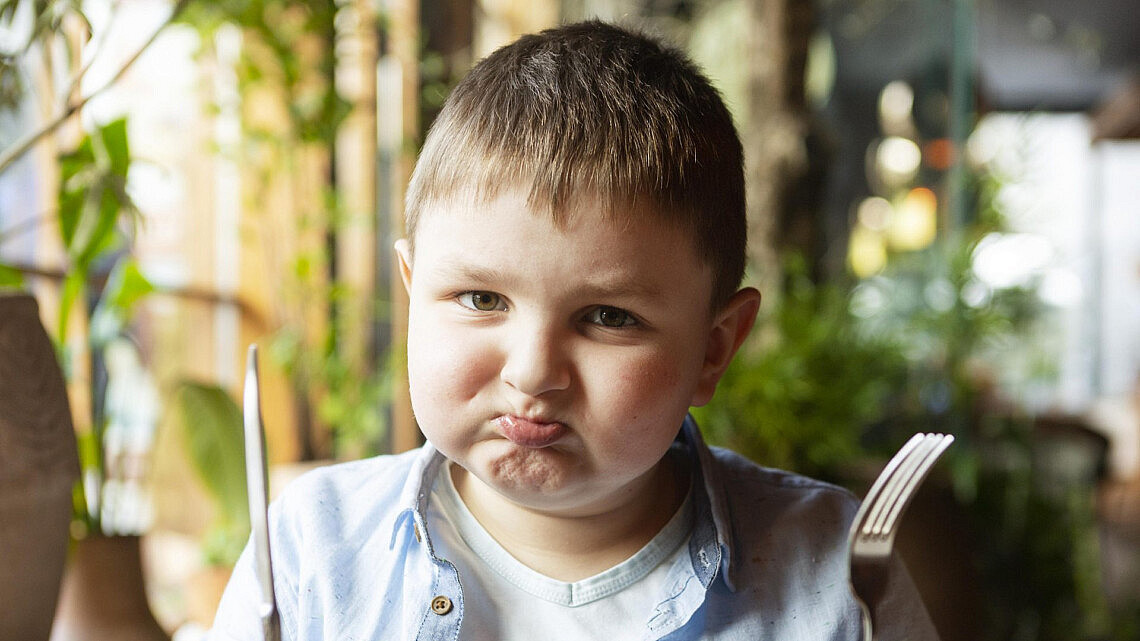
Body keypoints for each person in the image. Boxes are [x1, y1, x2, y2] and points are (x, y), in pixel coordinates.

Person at [210, 20, 939, 641]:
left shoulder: (836, 576)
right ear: (413, 291)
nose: (532, 371)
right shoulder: (313, 552)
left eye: (608, 317)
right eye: (481, 298)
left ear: (713, 348)